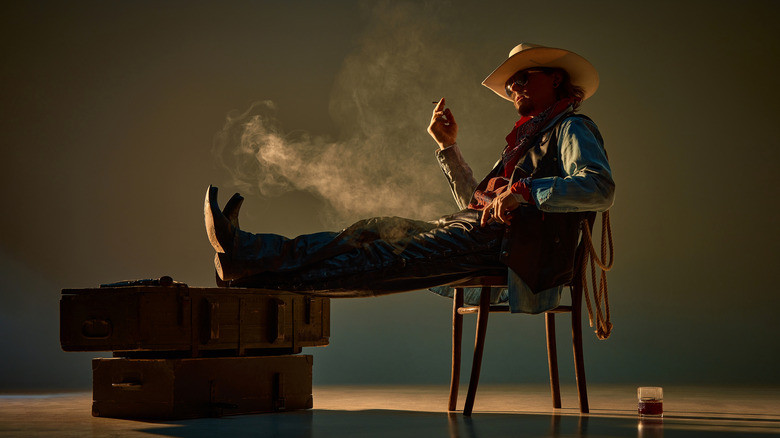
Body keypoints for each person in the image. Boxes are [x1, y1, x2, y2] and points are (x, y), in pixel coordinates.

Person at [205, 43, 614, 312]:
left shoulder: (571, 128)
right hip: (478, 231)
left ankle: (249, 273)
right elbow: (475, 203)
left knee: (383, 258)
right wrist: (448, 147)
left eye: (522, 78)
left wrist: (525, 191)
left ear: (555, 78)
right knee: (372, 230)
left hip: (505, 247)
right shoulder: (525, 139)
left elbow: (599, 186)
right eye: (510, 85)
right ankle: (250, 255)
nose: (514, 88)